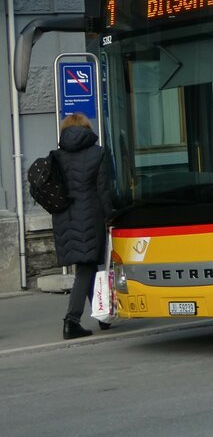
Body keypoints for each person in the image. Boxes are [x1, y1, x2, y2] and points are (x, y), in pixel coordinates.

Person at [51, 113, 113, 340]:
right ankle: (71, 321)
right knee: (86, 270)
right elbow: (103, 191)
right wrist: (111, 217)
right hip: (91, 216)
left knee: (87, 268)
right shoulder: (98, 153)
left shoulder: (57, 156)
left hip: (66, 219)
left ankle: (102, 316)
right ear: (87, 129)